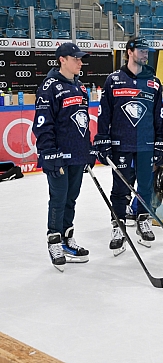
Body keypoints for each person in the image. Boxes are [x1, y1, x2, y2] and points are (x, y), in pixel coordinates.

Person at [93, 37, 163, 255]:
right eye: (141, 50)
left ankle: (143, 218)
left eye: (147, 50)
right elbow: (104, 113)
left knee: (145, 184)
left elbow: (159, 117)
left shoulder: (154, 82)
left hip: (146, 143)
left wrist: (160, 144)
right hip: (120, 143)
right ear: (129, 52)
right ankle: (119, 224)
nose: (145, 54)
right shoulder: (113, 80)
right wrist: (102, 139)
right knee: (121, 186)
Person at [33, 42, 94, 271]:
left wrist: (87, 150)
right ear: (62, 60)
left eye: (80, 58)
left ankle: (68, 238)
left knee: (71, 198)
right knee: (58, 199)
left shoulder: (80, 88)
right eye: (76, 58)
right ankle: (54, 241)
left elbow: (83, 123)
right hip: (57, 156)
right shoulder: (49, 86)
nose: (80, 61)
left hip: (77, 155)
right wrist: (48, 153)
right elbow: (42, 124)